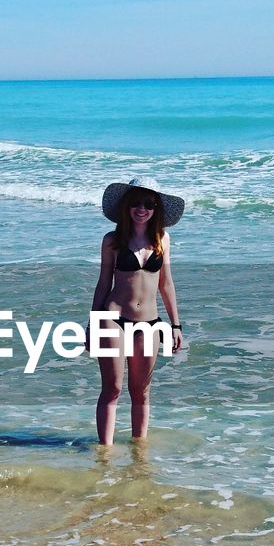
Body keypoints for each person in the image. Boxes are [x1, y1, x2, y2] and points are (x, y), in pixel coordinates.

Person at [87, 178, 184, 445]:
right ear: (126, 207)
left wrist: (175, 326)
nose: (142, 208)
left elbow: (166, 283)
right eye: (136, 203)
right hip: (113, 319)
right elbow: (104, 283)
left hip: (149, 323)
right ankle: (104, 453)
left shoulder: (162, 238)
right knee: (113, 388)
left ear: (156, 209)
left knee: (141, 391)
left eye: (149, 204)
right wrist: (92, 324)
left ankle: (138, 454)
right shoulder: (112, 240)